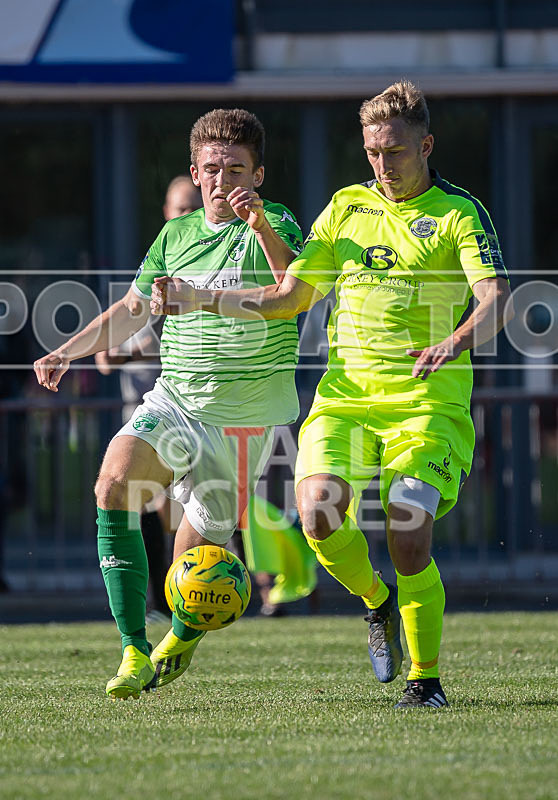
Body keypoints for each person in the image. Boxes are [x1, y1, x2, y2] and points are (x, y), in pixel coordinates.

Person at [151, 81, 513, 709]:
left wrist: (454, 341)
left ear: (426, 146)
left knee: (408, 531)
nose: (383, 164)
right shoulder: (345, 208)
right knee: (318, 512)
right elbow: (289, 296)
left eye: (395, 151)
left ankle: (425, 681)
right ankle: (377, 601)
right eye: (373, 151)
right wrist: (201, 297)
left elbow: (496, 299)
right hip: (344, 398)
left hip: (426, 403)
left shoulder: (459, 212)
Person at [34, 108, 303, 699]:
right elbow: (134, 309)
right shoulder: (175, 235)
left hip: (242, 424)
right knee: (113, 485)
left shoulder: (276, 221)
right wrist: (67, 350)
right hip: (174, 400)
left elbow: (292, 293)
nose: (223, 181)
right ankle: (133, 648)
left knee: (192, 574)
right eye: (212, 169)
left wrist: (259, 226)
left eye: (237, 169)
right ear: (195, 171)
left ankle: (180, 636)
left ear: (257, 176)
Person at [95, 176, 202, 622]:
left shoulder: (212, 280)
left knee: (193, 511)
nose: (187, 216)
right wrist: (143, 345)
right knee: (146, 505)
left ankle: (192, 601)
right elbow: (104, 360)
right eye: (180, 209)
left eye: (194, 208)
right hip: (146, 417)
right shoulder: (149, 278)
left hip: (198, 415)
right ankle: (158, 603)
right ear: (166, 213)